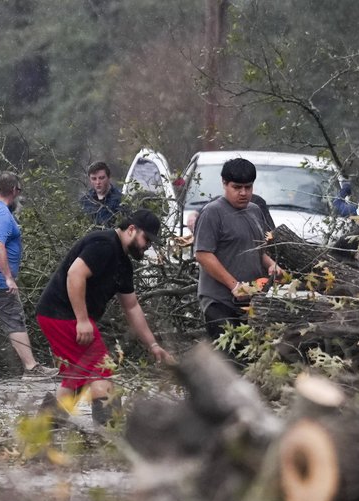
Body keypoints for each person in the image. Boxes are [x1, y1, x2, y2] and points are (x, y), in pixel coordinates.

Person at [35, 208, 174, 424]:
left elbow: (132, 307)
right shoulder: (104, 244)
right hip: (61, 314)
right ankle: (110, 435)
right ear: (131, 229)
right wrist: (82, 320)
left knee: (78, 377)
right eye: (147, 239)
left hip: (62, 316)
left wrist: (153, 345)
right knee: (102, 372)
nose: (148, 246)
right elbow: (75, 275)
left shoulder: (124, 264)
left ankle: (43, 428)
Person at [0, 172, 56, 377]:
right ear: (14, 190)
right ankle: (31, 368)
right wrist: (7, 276)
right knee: (14, 320)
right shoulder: (1, 214)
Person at [193, 157, 283, 346]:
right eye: (237, 187)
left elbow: (257, 250)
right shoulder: (212, 213)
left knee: (249, 361)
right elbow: (202, 254)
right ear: (224, 184)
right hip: (220, 302)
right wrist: (234, 286)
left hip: (251, 301)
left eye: (248, 187)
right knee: (228, 361)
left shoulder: (255, 210)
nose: (243, 193)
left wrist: (271, 265)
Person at [79, 161, 123, 226]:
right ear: (89, 180)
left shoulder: (120, 200)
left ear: (108, 177)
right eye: (94, 179)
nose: (98, 182)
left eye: (101, 178)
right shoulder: (85, 200)